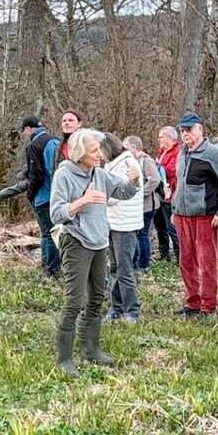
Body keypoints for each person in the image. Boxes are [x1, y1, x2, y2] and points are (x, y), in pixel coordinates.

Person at [49, 128, 141, 375]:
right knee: (74, 299)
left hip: (100, 242)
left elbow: (123, 192)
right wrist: (84, 200)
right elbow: (56, 213)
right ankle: (63, 359)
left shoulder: (99, 173)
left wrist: (133, 180)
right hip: (76, 241)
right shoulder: (64, 174)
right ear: (79, 153)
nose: (100, 154)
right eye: (94, 150)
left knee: (97, 297)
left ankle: (91, 349)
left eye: (99, 149)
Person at [171, 112, 218, 317]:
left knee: (206, 262)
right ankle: (192, 303)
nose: (185, 134)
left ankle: (209, 306)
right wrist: (174, 209)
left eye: (189, 130)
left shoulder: (213, 153)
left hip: (205, 216)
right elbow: (178, 184)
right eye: (182, 130)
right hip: (182, 216)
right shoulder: (181, 153)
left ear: (199, 129)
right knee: (186, 262)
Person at [0, 116, 63, 277]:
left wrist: (31, 195)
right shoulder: (56, 141)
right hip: (59, 195)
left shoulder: (35, 146)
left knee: (49, 235)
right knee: (52, 233)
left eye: (24, 131)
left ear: (28, 129)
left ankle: (51, 272)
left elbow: (35, 177)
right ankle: (50, 268)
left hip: (44, 198)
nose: (24, 134)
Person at [105, 136, 146, 323]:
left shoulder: (127, 164)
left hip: (125, 225)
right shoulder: (111, 164)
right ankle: (117, 306)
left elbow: (119, 193)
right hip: (112, 222)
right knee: (114, 268)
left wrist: (97, 196)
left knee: (124, 269)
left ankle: (132, 310)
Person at [131, 137, 163, 272]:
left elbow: (155, 179)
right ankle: (138, 262)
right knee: (138, 234)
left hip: (148, 205)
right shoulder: (135, 161)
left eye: (127, 148)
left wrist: (141, 193)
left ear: (134, 147)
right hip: (140, 205)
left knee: (142, 234)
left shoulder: (146, 160)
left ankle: (144, 264)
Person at [153, 126, 180, 263]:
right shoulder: (161, 152)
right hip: (159, 194)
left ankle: (179, 255)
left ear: (170, 138)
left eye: (161, 137)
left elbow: (171, 170)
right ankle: (163, 252)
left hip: (170, 196)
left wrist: (155, 169)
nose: (159, 140)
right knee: (160, 226)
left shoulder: (177, 152)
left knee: (172, 228)